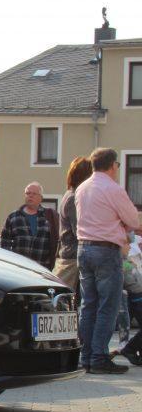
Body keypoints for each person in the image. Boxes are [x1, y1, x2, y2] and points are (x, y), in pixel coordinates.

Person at [76, 148, 142, 374]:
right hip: (106, 250)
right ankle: (99, 358)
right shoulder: (113, 189)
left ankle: (85, 357)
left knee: (88, 305)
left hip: (84, 248)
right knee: (108, 307)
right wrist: (122, 224)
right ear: (113, 165)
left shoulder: (82, 188)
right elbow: (133, 220)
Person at [53, 157, 93, 289]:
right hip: (72, 258)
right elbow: (79, 230)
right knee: (64, 294)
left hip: (71, 255)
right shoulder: (73, 198)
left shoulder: (71, 194)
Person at [0, 182, 59, 268]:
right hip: (19, 268)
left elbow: (57, 241)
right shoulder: (14, 217)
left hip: (42, 268)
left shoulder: (49, 216)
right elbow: (5, 242)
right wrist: (10, 262)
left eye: (34, 194)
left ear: (41, 198)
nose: (30, 196)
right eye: (28, 193)